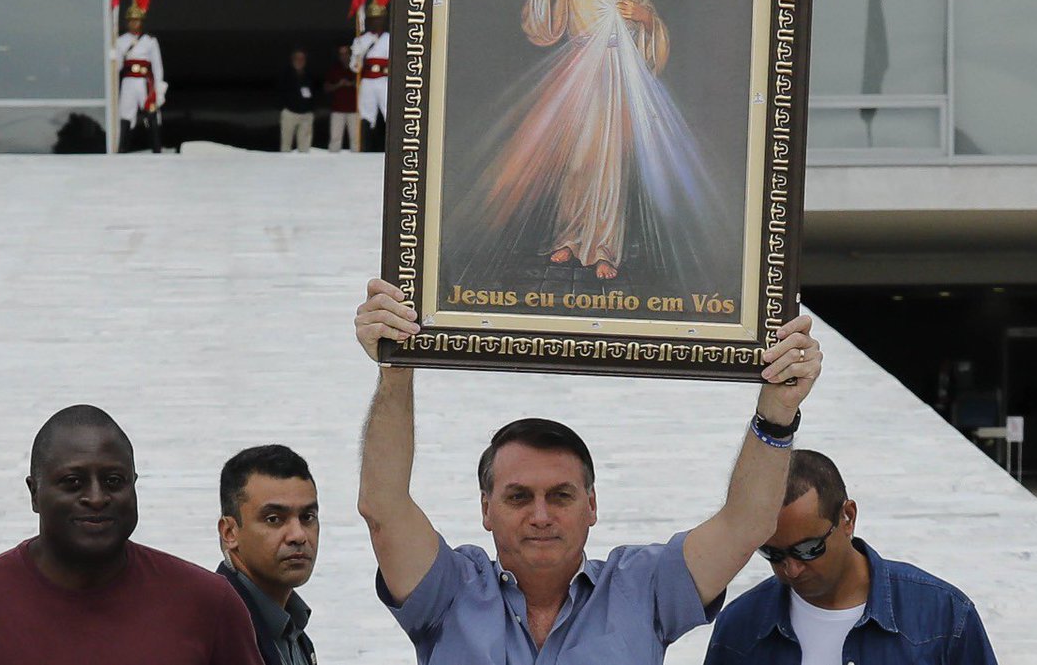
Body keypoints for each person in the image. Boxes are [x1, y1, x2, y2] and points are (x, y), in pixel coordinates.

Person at [353, 277, 823, 665]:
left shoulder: (643, 589)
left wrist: (777, 414)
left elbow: (746, 525)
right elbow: (383, 508)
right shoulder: (449, 591)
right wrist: (396, 367)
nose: (541, 516)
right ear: (486, 508)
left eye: (561, 495)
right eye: (518, 497)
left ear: (592, 505)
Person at [448, 0, 734, 291]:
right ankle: (569, 238)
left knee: (612, 164)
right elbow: (542, 25)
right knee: (578, 161)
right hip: (580, 75)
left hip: (620, 77)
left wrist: (646, 17)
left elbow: (654, 32)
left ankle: (603, 250)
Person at [0, 405, 263, 665]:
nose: (96, 498)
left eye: (113, 481)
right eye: (73, 482)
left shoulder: (209, 604)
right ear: (34, 493)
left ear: (134, 485)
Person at [703, 449, 998, 664]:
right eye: (772, 552)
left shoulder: (943, 615)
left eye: (808, 549)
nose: (791, 568)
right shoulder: (740, 627)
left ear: (848, 517)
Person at [217, 445, 319, 665]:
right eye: (274, 519)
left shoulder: (295, 631)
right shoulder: (212, 631)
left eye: (307, 517)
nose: (298, 535)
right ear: (229, 533)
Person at [115, 0, 166, 154]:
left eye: (136, 20)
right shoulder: (121, 41)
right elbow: (118, 67)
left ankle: (156, 148)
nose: (133, 23)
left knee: (151, 113)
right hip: (128, 82)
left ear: (141, 22)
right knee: (125, 114)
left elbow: (157, 66)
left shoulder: (150, 41)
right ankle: (122, 148)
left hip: (145, 82)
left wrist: (158, 88)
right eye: (130, 20)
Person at [349, 0, 390, 151]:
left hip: (384, 80)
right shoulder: (362, 39)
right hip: (367, 81)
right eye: (372, 19)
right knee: (366, 114)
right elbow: (355, 67)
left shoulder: (389, 39)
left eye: (378, 19)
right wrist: (357, 54)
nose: (375, 22)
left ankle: (387, 147)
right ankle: (366, 147)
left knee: (389, 112)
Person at [278, 49, 317, 153]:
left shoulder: (309, 75)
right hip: (290, 113)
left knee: (304, 148)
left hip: (306, 115)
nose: (300, 61)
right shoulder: (285, 74)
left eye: (302, 58)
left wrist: (311, 109)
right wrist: (283, 106)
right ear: (292, 60)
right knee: (286, 146)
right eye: (297, 58)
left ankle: (303, 163)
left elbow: (315, 92)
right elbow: (279, 92)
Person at [325, 44, 360, 153]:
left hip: (354, 110)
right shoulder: (334, 69)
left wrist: (353, 84)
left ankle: (357, 161)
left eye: (346, 53)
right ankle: (332, 161)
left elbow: (365, 86)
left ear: (350, 54)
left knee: (356, 140)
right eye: (341, 54)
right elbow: (326, 88)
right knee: (335, 139)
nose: (344, 56)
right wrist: (338, 85)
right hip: (337, 110)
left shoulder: (357, 68)